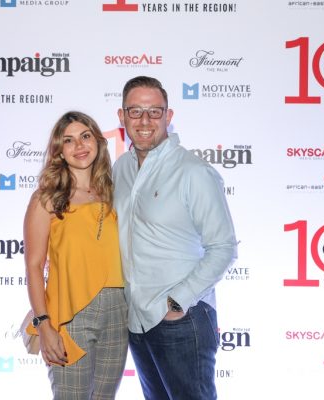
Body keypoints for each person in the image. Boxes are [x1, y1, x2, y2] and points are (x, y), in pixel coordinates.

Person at [113, 76, 238, 400]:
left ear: (168, 116)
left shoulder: (193, 172)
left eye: (154, 112)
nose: (144, 121)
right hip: (136, 320)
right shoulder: (120, 169)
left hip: (182, 318)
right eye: (135, 111)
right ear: (122, 116)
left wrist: (178, 301)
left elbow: (223, 247)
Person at [23, 111, 128, 399]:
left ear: (98, 141)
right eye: (68, 140)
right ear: (59, 150)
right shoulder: (46, 198)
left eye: (85, 136)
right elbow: (34, 266)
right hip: (70, 314)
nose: (79, 145)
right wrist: (44, 325)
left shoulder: (115, 193)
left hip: (118, 311)